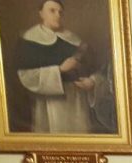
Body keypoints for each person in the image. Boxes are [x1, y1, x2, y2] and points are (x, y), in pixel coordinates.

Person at [16, 0, 102, 133]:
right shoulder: (30, 38)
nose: (58, 15)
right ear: (41, 13)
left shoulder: (74, 39)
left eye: (60, 12)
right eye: (52, 11)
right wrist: (60, 70)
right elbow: (26, 75)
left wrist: (91, 81)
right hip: (50, 101)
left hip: (77, 100)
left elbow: (94, 68)